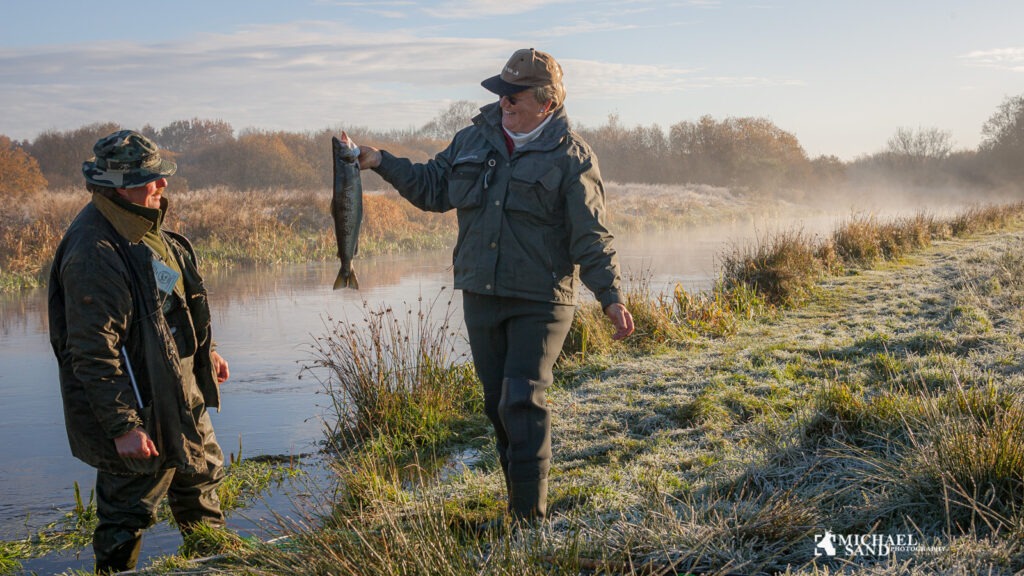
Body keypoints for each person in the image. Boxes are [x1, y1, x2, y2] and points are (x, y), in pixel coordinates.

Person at [344, 47, 634, 524]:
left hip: (541, 300)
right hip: (481, 293)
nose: (504, 102)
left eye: (513, 95)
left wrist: (611, 296)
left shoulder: (573, 156)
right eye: (501, 93)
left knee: (522, 398)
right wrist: (379, 161)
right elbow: (432, 187)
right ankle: (516, 505)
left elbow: (591, 234)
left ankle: (529, 522)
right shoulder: (473, 140)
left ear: (547, 102)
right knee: (498, 405)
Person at [48, 130, 231, 573]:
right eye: (151, 178)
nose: (162, 186)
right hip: (140, 412)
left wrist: (208, 355)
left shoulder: (144, 228)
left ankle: (215, 567)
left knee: (200, 490)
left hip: (181, 397)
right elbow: (92, 354)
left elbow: (174, 304)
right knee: (126, 517)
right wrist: (124, 426)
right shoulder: (94, 250)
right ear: (118, 185)